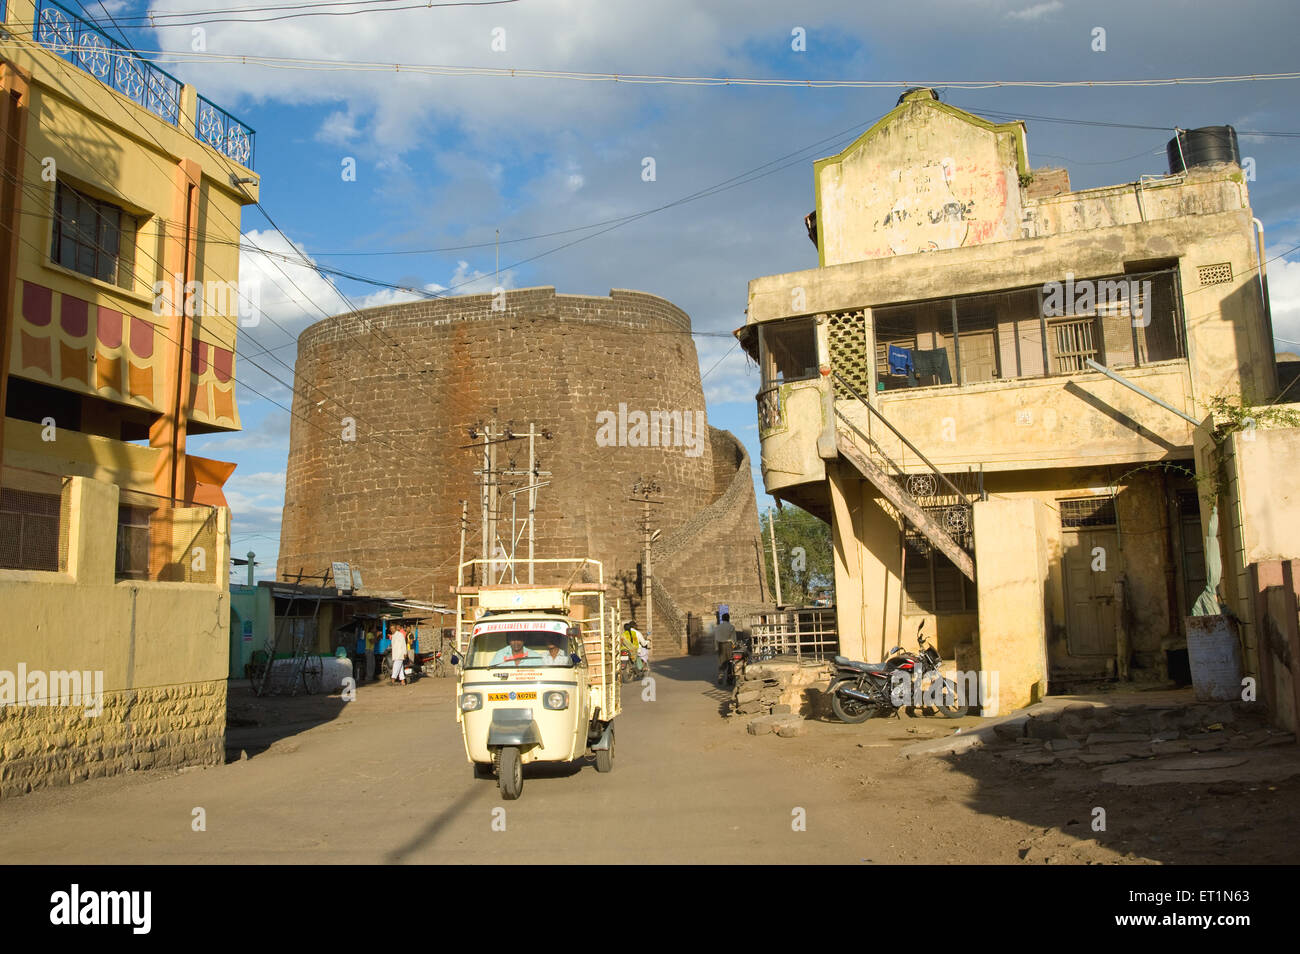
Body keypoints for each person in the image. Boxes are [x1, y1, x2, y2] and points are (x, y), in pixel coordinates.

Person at [714, 612, 736, 684]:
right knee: (730, 662)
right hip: (729, 645)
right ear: (728, 619)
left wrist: (717, 647)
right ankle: (729, 679)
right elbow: (733, 639)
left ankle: (721, 675)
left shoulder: (717, 627)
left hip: (720, 645)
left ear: (722, 619)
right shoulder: (731, 627)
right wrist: (734, 647)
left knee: (721, 662)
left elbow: (716, 639)